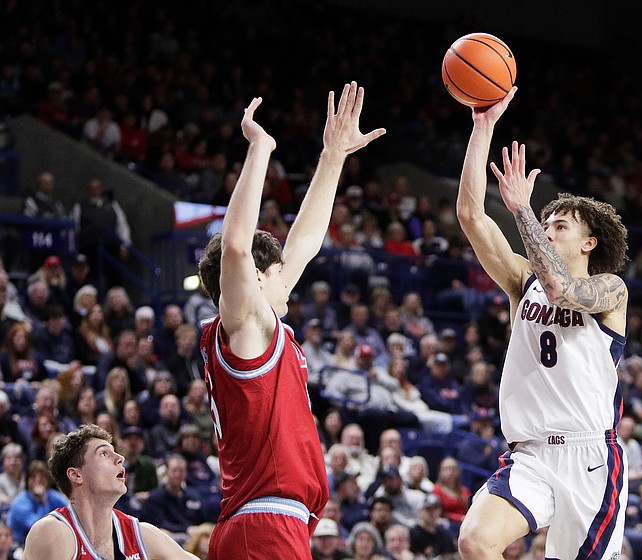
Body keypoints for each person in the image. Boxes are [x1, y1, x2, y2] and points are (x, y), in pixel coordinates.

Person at [196, 84, 385, 560]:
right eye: (280, 271)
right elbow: (236, 245)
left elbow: (305, 241)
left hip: (272, 521)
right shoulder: (245, 326)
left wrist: (333, 156)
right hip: (264, 521)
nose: (290, 276)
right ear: (256, 277)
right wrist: (261, 149)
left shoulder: (261, 328)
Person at [455, 87, 630, 560]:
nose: (548, 229)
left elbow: (562, 290)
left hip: (591, 459)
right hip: (529, 454)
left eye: (561, 225)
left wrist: (524, 211)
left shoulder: (611, 290)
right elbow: (470, 215)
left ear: (590, 243)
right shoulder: (521, 281)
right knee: (475, 540)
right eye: (545, 222)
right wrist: (482, 127)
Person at [20, 424, 198, 559]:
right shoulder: (53, 531)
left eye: (116, 453)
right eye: (104, 454)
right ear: (76, 475)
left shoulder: (140, 533)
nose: (120, 459)